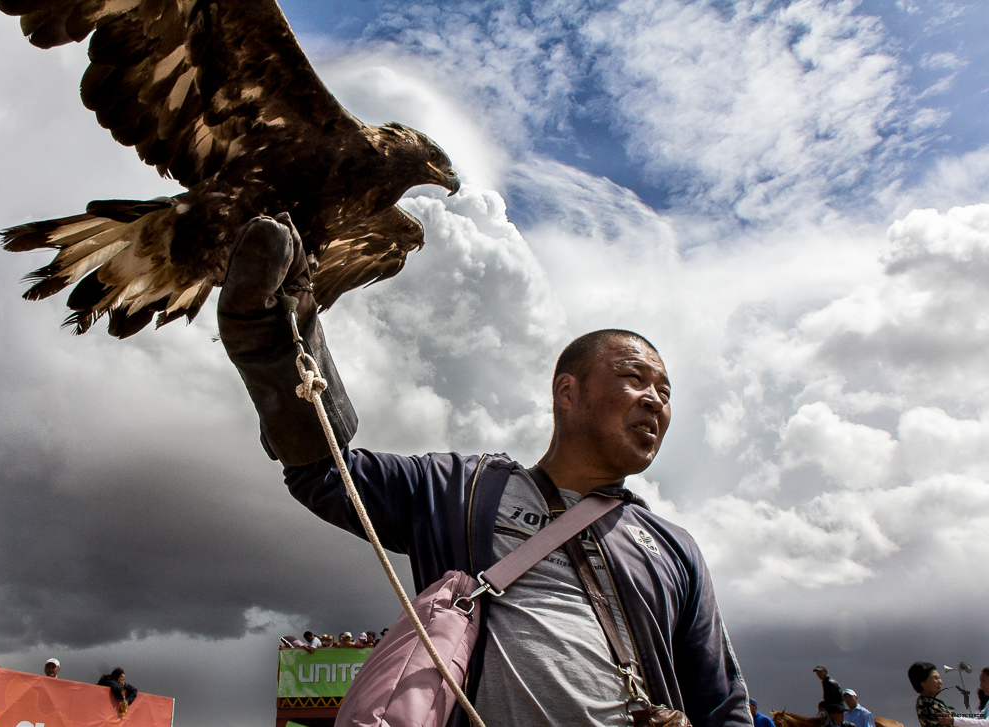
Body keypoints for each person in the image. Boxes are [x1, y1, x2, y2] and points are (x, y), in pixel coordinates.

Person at [217, 217, 751, 727]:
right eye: (634, 377)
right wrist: (273, 337)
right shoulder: (459, 490)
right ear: (568, 392)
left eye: (665, 392)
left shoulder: (675, 547)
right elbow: (324, 471)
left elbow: (721, 701)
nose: (654, 401)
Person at [909, 662, 956, 727]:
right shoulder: (928, 705)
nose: (940, 682)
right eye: (935, 678)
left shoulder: (926, 702)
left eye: (939, 678)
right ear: (922, 682)